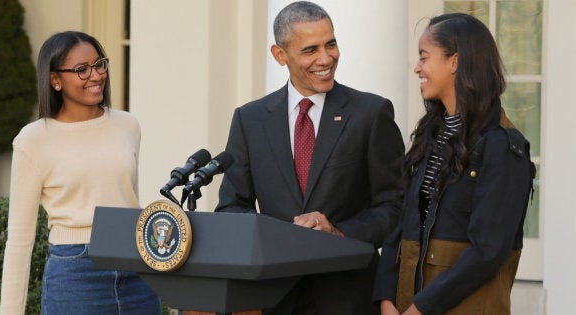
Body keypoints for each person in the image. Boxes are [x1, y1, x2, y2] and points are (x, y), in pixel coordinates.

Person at [215, 2, 405, 314]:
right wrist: (278, 237)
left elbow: (396, 206)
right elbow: (232, 207)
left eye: (331, 44)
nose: (326, 58)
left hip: (349, 299)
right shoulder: (250, 120)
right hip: (273, 298)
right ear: (280, 55)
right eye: (310, 49)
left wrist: (339, 232)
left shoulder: (371, 113)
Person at [373, 13, 534, 315]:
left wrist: (421, 308)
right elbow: (401, 225)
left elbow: (487, 251)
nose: (417, 68)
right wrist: (386, 300)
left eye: (424, 58)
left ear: (455, 62)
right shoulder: (430, 136)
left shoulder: (502, 146)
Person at [0, 31, 161, 315]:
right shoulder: (33, 139)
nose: (96, 75)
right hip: (74, 272)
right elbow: (20, 239)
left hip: (136, 264)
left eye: (99, 64)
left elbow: (127, 200)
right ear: (55, 80)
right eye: (81, 69)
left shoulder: (127, 125)